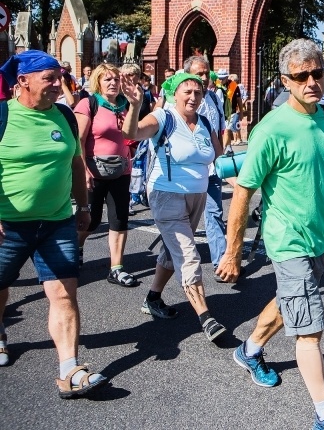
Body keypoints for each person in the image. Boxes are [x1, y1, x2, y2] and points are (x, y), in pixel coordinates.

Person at [215, 39, 324, 430]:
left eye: (318, 73)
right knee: (311, 328)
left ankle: (249, 351)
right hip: (288, 240)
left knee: (288, 303)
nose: (313, 82)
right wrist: (232, 253)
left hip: (316, 236)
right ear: (286, 81)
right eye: (302, 76)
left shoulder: (322, 118)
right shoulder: (272, 129)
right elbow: (243, 191)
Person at [0, 50, 108, 396]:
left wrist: (83, 206)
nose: (58, 86)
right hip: (9, 225)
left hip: (58, 222)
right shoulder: (3, 115)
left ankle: (69, 370)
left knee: (64, 294)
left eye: (59, 77)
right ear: (23, 81)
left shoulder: (63, 114)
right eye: (49, 79)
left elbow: (76, 162)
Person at [126, 71, 227, 342]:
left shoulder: (204, 121)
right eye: (188, 92)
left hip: (197, 195)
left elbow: (216, 153)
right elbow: (133, 133)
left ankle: (153, 298)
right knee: (188, 255)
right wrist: (135, 106)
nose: (194, 97)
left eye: (198, 92)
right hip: (167, 194)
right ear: (175, 93)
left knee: (174, 252)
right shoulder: (164, 117)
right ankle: (206, 317)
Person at [73, 64, 138, 284]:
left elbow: (132, 134)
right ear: (98, 82)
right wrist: (83, 172)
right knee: (91, 221)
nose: (112, 83)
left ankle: (116, 268)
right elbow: (78, 141)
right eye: (107, 79)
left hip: (121, 170)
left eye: (116, 79)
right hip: (94, 171)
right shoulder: (88, 103)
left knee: (119, 219)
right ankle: (77, 246)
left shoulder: (125, 105)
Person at [185, 57, 229, 278]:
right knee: (185, 218)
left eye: (206, 73)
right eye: (198, 74)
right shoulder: (182, 102)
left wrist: (222, 163)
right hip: (189, 171)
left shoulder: (214, 97)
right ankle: (173, 259)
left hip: (212, 169)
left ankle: (220, 263)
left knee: (214, 213)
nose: (204, 78)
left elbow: (219, 132)